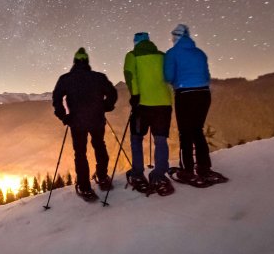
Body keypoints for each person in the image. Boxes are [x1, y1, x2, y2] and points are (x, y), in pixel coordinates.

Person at [52, 47, 118, 201]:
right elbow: (112, 93)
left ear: (74, 62)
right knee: (99, 146)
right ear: (87, 62)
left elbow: (56, 99)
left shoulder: (66, 79)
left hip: (76, 122)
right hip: (97, 119)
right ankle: (102, 177)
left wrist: (64, 117)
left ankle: (85, 187)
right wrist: (106, 106)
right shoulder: (99, 77)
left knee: (80, 153)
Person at [164, 24, 225, 184]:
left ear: (176, 37)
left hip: (185, 94)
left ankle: (187, 170)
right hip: (204, 94)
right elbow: (207, 76)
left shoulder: (172, 53)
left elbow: (168, 76)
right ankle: (204, 167)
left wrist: (176, 82)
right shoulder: (200, 53)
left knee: (185, 133)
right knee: (197, 130)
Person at [123, 32, 174, 196]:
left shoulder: (132, 55)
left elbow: (130, 76)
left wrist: (135, 96)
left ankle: (138, 173)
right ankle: (159, 176)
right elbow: (170, 77)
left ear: (136, 42)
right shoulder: (163, 56)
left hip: (143, 105)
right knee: (160, 140)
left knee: (136, 138)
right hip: (164, 104)